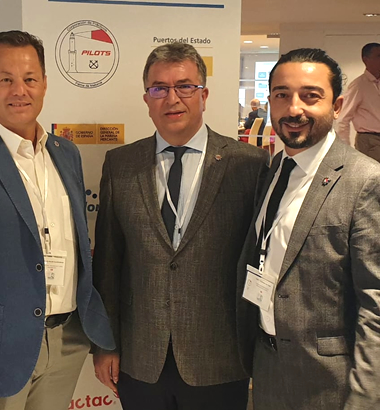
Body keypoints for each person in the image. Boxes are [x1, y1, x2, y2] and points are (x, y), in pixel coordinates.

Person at [0, 30, 115, 410]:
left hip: (69, 341)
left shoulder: (67, 154)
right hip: (0, 355)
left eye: (29, 79)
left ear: (44, 83)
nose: (20, 91)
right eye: (6, 80)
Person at [92, 42, 269, 410]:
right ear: (147, 99)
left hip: (220, 357)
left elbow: (259, 263)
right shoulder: (120, 164)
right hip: (141, 357)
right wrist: (105, 344)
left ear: (203, 95)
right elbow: (108, 263)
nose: (172, 98)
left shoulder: (249, 165)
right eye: (159, 88)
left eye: (185, 86)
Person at [237, 48, 380, 410]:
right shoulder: (274, 169)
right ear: (270, 102)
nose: (294, 108)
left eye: (310, 96)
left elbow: (379, 306)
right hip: (267, 368)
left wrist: (368, 401)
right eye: (282, 95)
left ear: (337, 105)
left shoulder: (368, 182)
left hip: (329, 383)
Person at [336, 42, 380, 168]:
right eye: (379, 56)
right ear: (366, 60)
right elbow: (343, 117)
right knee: (370, 178)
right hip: (368, 140)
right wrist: (345, 148)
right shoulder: (359, 85)